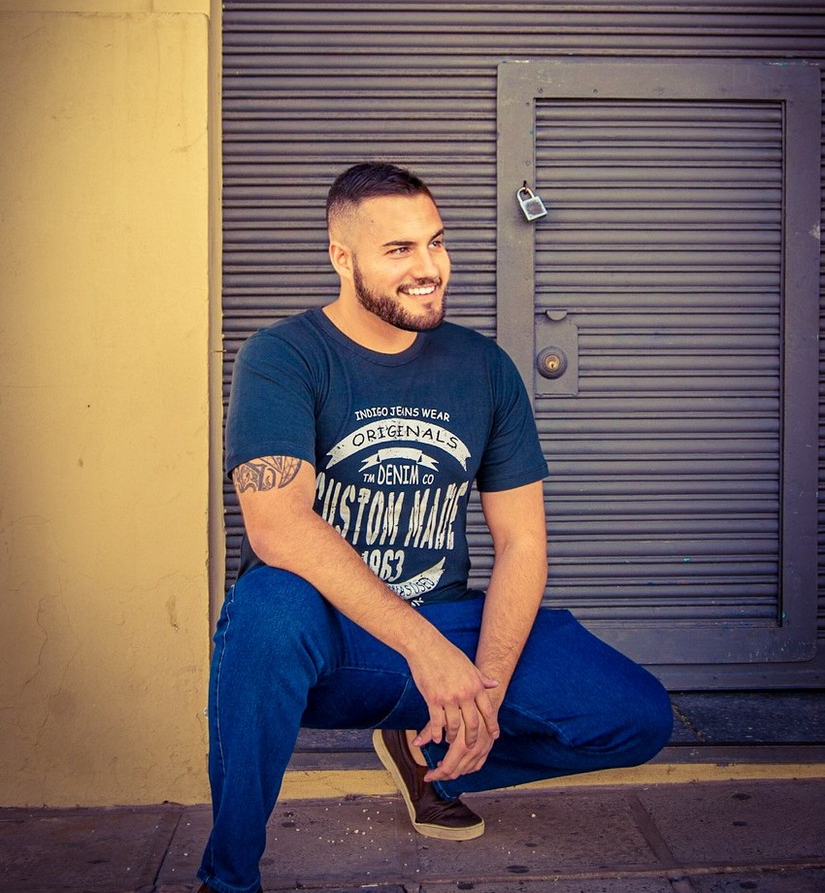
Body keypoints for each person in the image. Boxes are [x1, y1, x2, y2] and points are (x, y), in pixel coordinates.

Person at [197, 161, 673, 893]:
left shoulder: (482, 367)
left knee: (635, 715)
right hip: (327, 637)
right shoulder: (283, 355)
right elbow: (278, 527)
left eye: (437, 242)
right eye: (399, 250)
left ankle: (431, 761)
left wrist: (483, 690)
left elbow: (522, 542)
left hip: (445, 620)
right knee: (265, 609)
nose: (429, 268)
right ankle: (228, 878)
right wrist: (425, 651)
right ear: (342, 257)